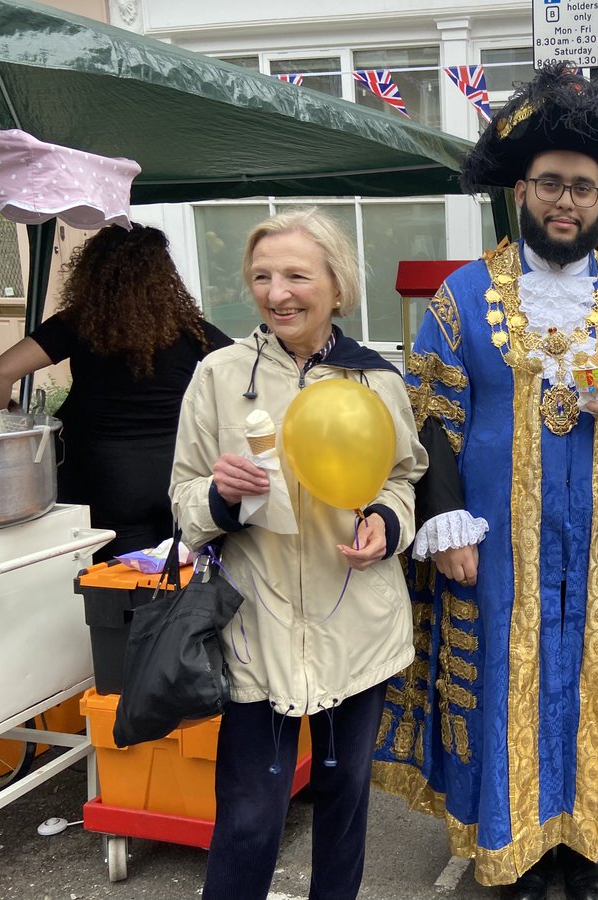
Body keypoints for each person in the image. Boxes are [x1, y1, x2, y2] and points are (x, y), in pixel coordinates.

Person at [372, 64, 598, 900]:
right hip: (495, 544)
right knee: (503, 684)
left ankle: (588, 848)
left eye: (583, 190)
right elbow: (429, 416)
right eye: (551, 184)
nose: (567, 202)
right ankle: (513, 847)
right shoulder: (461, 296)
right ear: (522, 189)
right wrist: (443, 522)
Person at [169, 208, 427, 900]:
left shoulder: (377, 381)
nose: (276, 292)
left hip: (357, 623)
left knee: (345, 799)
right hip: (258, 630)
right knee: (252, 815)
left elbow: (402, 476)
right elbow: (182, 501)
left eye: (295, 275)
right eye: (261, 276)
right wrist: (218, 500)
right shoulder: (218, 376)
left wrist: (385, 522)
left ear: (336, 287)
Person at [0, 223, 231, 560]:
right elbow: (240, 373)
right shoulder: (189, 327)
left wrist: (2, 427)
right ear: (163, 274)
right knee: (178, 580)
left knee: (120, 592)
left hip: (104, 477)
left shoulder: (78, 323)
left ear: (94, 271)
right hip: (178, 472)